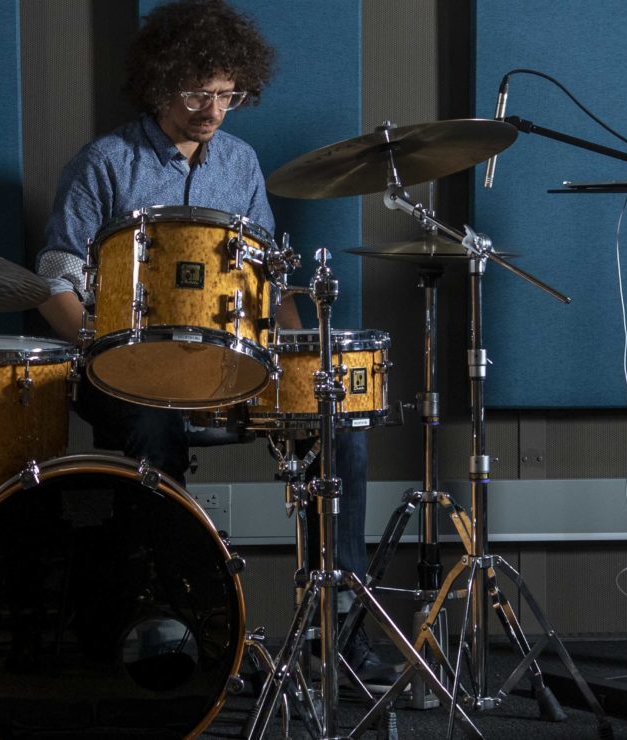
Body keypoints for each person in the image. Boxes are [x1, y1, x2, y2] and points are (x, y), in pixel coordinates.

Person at [33, 0, 392, 686]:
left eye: (229, 95)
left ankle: (340, 629)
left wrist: (299, 356)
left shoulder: (241, 163)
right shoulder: (106, 162)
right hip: (126, 373)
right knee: (154, 430)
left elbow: (270, 279)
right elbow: (54, 278)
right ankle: (186, 625)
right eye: (199, 93)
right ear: (160, 82)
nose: (214, 110)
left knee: (338, 420)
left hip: (231, 367)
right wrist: (101, 352)